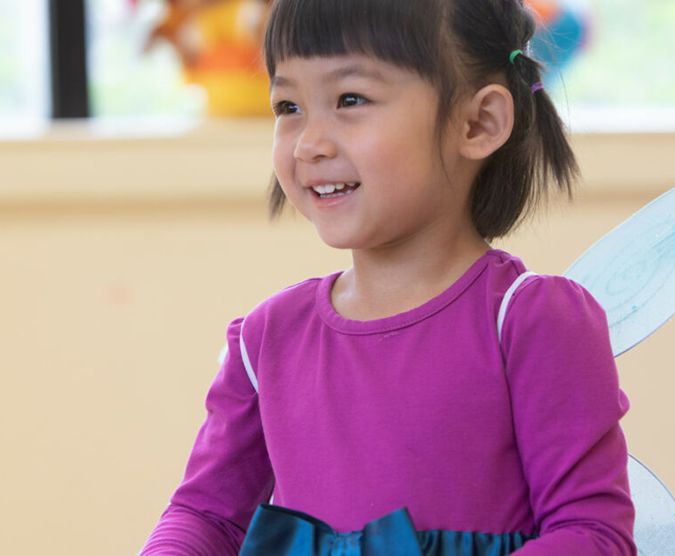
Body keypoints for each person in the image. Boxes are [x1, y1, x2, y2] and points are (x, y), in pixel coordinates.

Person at [140, 0, 636, 554]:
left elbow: (591, 534)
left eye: (350, 99)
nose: (309, 143)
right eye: (288, 105)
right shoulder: (267, 338)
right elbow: (206, 516)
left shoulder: (531, 321)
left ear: (479, 122)